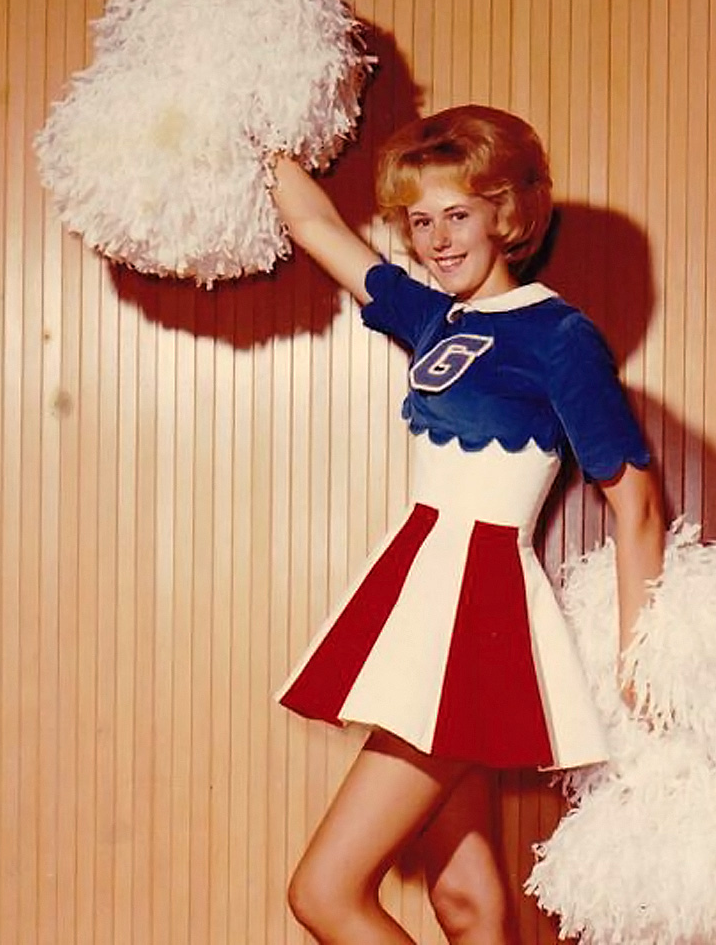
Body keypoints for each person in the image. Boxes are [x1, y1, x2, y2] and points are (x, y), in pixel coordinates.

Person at [271, 105, 665, 945]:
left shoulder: (559, 336)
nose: (438, 239)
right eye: (420, 221)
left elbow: (635, 501)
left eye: (458, 214)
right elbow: (312, 221)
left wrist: (641, 662)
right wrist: (251, 131)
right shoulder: (431, 317)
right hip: (421, 598)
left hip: (475, 614)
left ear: (506, 215)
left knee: (323, 891)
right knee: (467, 902)